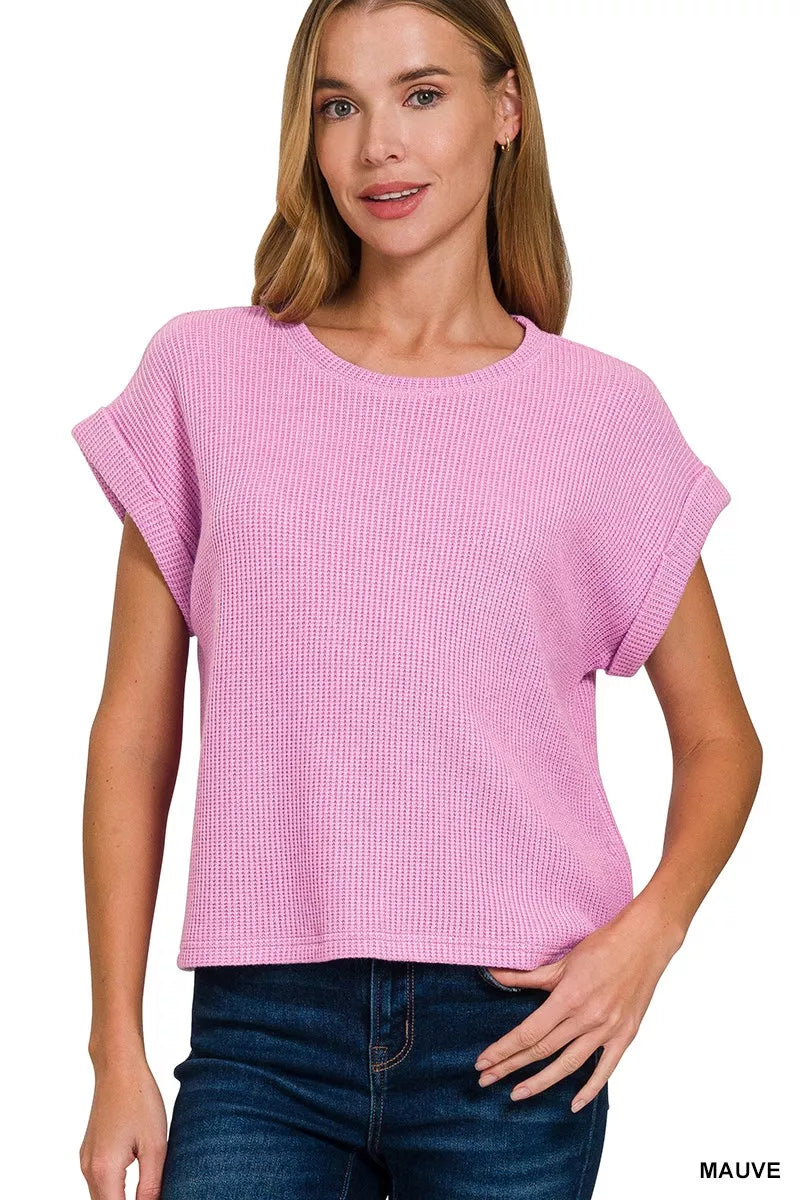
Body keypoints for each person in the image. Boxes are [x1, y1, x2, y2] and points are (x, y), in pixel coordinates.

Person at [71, 1, 762, 1198]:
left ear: (505, 110)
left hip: (514, 1033)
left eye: (421, 94)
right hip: (261, 1036)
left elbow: (720, 739)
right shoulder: (205, 374)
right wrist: (113, 1046)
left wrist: (645, 941)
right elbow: (134, 736)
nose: (376, 144)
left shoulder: (600, 415)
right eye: (338, 105)